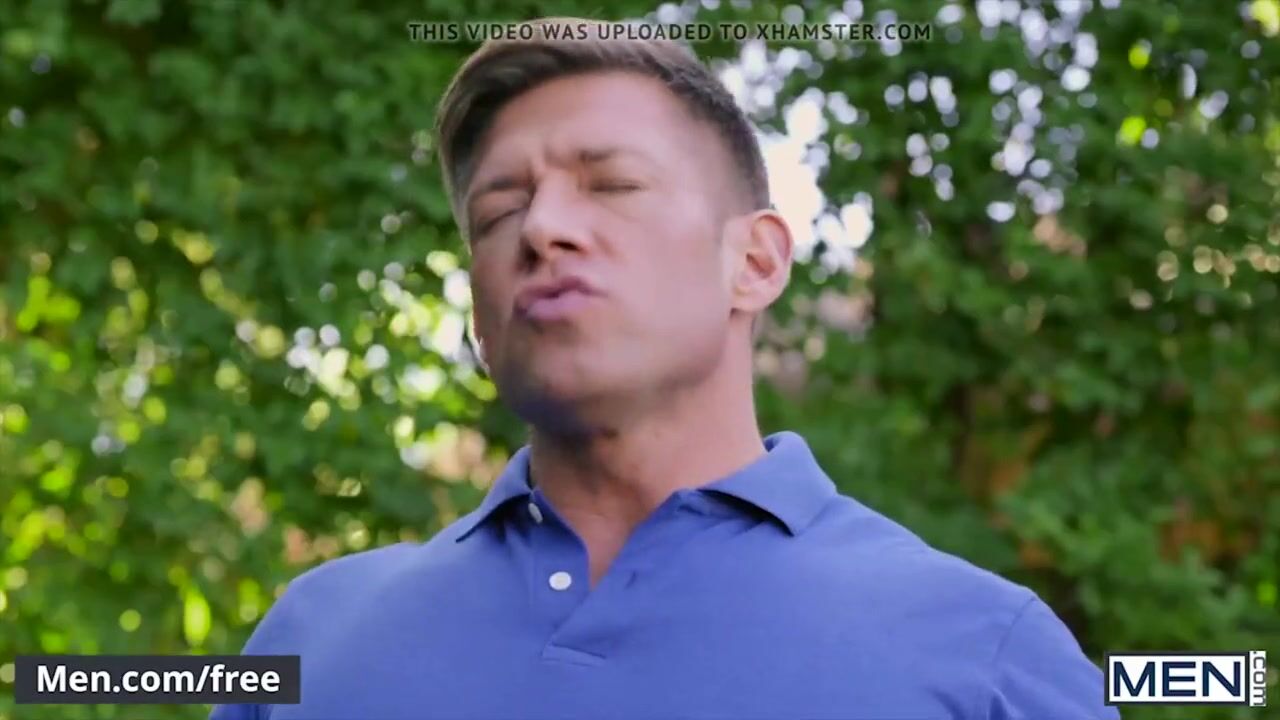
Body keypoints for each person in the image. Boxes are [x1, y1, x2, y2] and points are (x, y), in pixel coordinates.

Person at [212, 18, 1118, 720]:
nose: (542, 229)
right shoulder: (311, 643)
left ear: (755, 262)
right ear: (479, 318)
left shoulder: (984, 656)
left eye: (612, 185)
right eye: (498, 212)